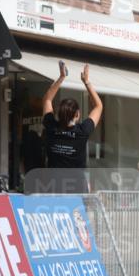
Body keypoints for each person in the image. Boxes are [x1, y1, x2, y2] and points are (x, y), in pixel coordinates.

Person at [42, 62, 102, 191]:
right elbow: (98, 106)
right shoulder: (82, 131)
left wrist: (61, 77)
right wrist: (86, 82)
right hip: (77, 188)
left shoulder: (51, 127)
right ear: (77, 115)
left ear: (59, 114)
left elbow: (47, 100)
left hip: (53, 187)